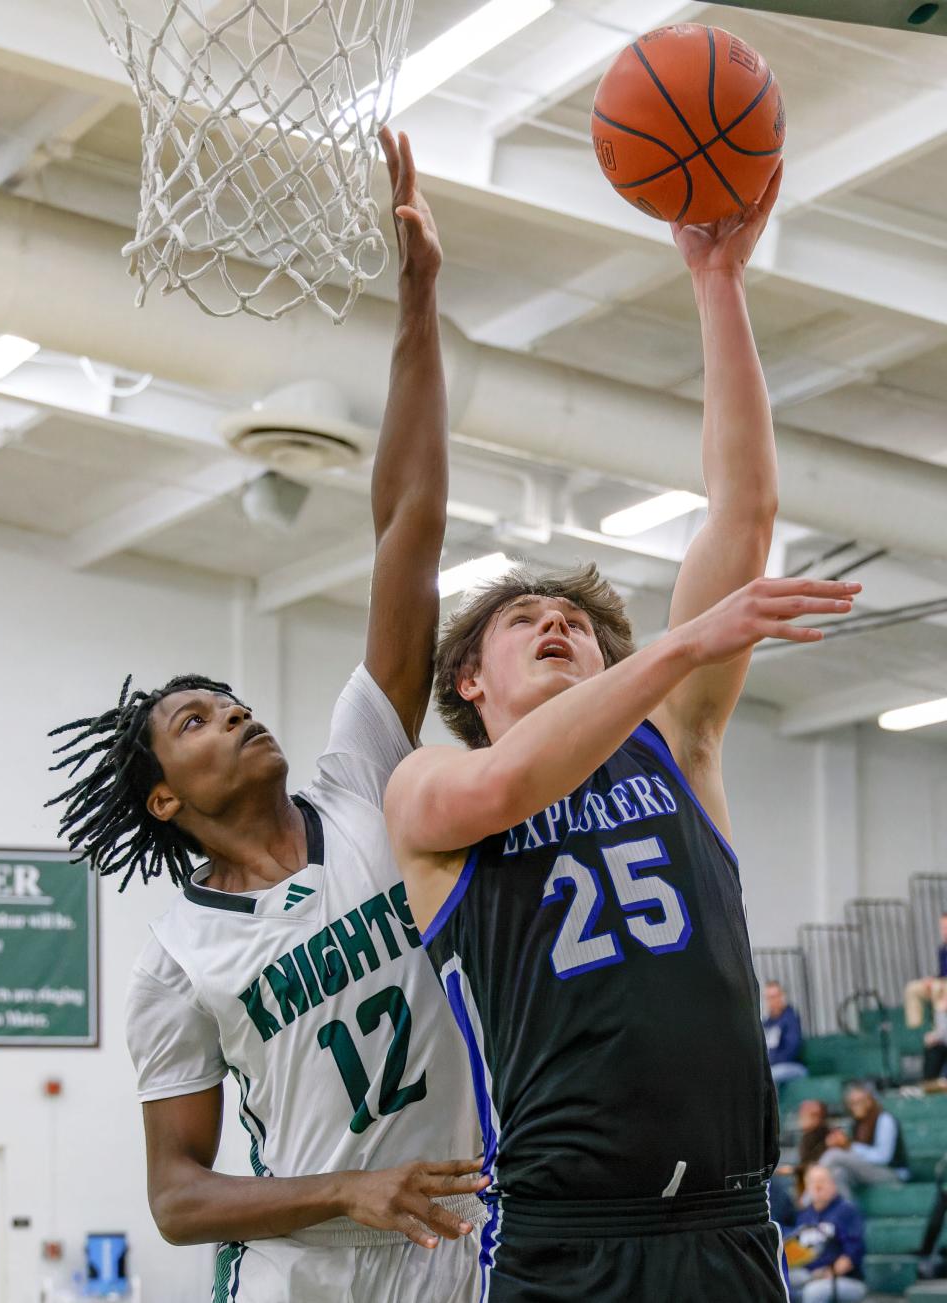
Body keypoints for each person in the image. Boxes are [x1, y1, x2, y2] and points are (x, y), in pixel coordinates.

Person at [387, 163, 863, 1302]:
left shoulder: (672, 741)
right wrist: (677, 645)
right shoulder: (424, 787)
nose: (559, 622)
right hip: (568, 1236)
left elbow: (741, 514)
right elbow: (502, 791)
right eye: (524, 619)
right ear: (468, 676)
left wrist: (717, 279)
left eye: (579, 624)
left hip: (731, 1224)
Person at [46, 131, 487, 1303]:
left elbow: (408, 526)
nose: (234, 712)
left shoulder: (357, 776)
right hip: (314, 1271)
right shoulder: (173, 963)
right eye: (197, 719)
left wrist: (418, 304)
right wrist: (344, 1190)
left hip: (460, 1249)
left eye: (231, 699)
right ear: (164, 794)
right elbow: (180, 1198)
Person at [787, 1165, 866, 1303]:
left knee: (813, 1292)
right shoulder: (804, 1215)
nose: (817, 1186)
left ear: (833, 1184)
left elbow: (852, 1255)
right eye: (812, 1182)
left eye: (822, 1181)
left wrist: (826, 1273)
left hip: (842, 1279)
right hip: (808, 1275)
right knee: (777, 1283)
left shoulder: (846, 1211)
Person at [820, 1083, 909, 1201]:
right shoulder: (857, 1124)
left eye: (860, 1101)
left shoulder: (884, 1120)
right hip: (869, 1171)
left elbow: (883, 1157)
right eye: (852, 1103)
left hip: (892, 1172)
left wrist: (849, 1147)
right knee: (838, 1173)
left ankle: (807, 1198)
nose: (855, 1106)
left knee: (833, 1155)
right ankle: (850, 1215)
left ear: (870, 1100)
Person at [905, 912, 947, 1029]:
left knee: (937, 988)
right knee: (912, 988)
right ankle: (915, 1029)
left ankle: (939, 1030)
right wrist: (931, 979)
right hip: (941, 981)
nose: (944, 931)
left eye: (946, 927)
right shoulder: (942, 949)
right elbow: (942, 972)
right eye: (942, 928)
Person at [764, 980, 808, 1088]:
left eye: (776, 996)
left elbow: (791, 1051)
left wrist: (769, 1062)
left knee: (767, 1077)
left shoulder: (790, 1018)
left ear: (782, 996)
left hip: (793, 1067)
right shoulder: (767, 1023)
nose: (773, 1000)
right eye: (770, 997)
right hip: (773, 1067)